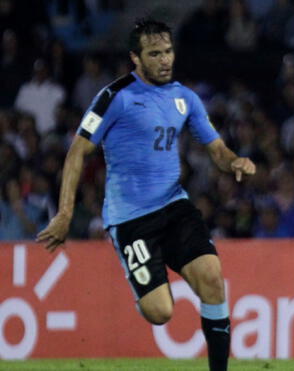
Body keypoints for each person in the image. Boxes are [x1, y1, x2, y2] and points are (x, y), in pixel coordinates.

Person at [36, 19, 256, 371]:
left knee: (213, 277)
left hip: (174, 206)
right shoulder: (114, 97)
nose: (165, 60)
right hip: (131, 218)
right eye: (154, 54)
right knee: (160, 312)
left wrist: (235, 162)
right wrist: (64, 213)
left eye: (167, 51)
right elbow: (77, 151)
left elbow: (216, 149)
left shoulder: (185, 98)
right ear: (135, 58)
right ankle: (142, 280)